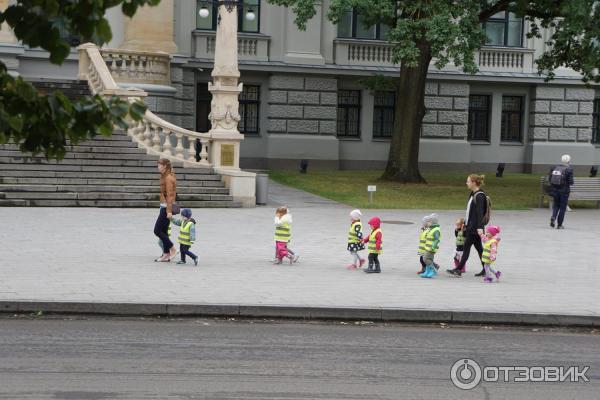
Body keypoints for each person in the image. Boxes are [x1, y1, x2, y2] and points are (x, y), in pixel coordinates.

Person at [447, 174, 487, 277]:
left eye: (468, 181)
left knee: (466, 247)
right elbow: (471, 212)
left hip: (475, 228)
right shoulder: (473, 194)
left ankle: (458, 269)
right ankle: (486, 269)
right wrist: (465, 222)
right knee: (479, 249)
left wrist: (479, 228)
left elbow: (480, 213)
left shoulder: (480, 196)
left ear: (474, 183)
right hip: (471, 226)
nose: (466, 183)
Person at [154, 158, 178, 262]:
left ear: (164, 166)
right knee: (163, 231)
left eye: (159, 165)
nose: (158, 167)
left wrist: (168, 211)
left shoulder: (168, 178)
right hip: (164, 206)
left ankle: (173, 249)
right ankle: (166, 254)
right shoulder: (165, 176)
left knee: (157, 231)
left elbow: (170, 195)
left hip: (166, 208)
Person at [548, 154, 574, 229]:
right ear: (569, 161)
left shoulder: (554, 168)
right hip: (564, 191)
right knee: (562, 208)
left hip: (555, 190)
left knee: (556, 205)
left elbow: (550, 179)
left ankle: (553, 217)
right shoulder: (569, 169)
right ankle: (559, 225)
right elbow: (571, 182)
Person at [420, 213, 441, 279]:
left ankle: (433, 269)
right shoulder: (431, 229)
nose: (427, 223)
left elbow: (437, 239)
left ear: (433, 222)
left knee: (426, 259)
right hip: (427, 247)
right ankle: (427, 271)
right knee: (429, 259)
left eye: (429, 221)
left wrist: (433, 246)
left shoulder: (436, 230)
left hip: (431, 248)